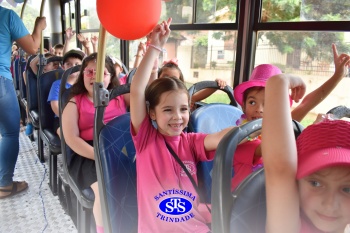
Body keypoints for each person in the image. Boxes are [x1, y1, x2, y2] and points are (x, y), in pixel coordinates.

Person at [130, 18, 233, 233]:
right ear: (152, 113)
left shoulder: (191, 142)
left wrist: (253, 128)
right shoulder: (146, 138)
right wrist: (155, 46)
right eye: (167, 110)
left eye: (184, 109)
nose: (177, 117)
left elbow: (221, 137)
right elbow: (138, 90)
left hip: (195, 228)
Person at [231, 45, 350, 190]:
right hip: (245, 203)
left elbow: (306, 104)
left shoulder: (275, 125)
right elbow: (270, 147)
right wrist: (313, 129)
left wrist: (337, 76)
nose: (259, 109)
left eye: (268, 103)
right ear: (243, 106)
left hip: (277, 193)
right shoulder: (240, 138)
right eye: (252, 102)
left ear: (279, 108)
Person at [262, 74, 350, 233]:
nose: (330, 204)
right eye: (315, 183)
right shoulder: (287, 227)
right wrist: (280, 82)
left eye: (347, 189)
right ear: (296, 183)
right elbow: (280, 168)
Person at [61, 53, 130, 233]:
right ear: (82, 75)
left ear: (111, 77)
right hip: (87, 153)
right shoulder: (75, 102)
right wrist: (100, 156)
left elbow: (141, 95)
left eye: (102, 73)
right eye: (89, 72)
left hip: (120, 149)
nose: (94, 76)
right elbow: (71, 138)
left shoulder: (121, 97)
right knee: (103, 189)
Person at [0, 6, 46, 199]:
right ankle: (4, 185)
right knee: (10, 133)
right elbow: (33, 47)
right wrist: (38, 28)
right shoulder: (7, 15)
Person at [47, 49, 85, 136]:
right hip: (61, 119)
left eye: (77, 64)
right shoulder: (57, 84)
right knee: (64, 132)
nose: (73, 67)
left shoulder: (84, 84)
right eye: (69, 64)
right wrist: (70, 120)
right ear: (63, 67)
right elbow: (55, 106)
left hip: (82, 119)